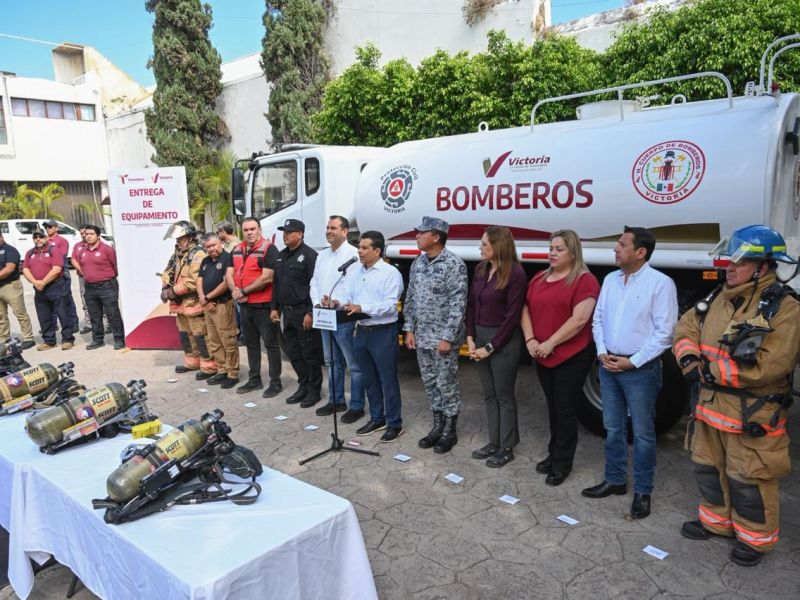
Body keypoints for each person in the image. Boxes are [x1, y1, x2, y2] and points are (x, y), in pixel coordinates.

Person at [673, 225, 800, 566]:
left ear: (763, 267)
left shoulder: (784, 308)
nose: (730, 267)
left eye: (739, 262)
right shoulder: (719, 296)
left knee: (749, 478)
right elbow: (687, 326)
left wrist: (709, 371)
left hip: (751, 415)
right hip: (710, 408)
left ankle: (755, 539)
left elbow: (772, 362)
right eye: (730, 260)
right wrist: (688, 359)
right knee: (708, 468)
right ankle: (716, 522)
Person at [583, 226, 678, 520]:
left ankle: (643, 491)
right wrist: (601, 352)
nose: (615, 249)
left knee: (643, 434)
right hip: (608, 365)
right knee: (613, 428)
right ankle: (615, 480)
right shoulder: (610, 280)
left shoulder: (661, 284)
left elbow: (665, 334)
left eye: (622, 245)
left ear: (640, 252)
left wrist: (633, 362)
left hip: (640, 371)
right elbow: (598, 319)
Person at [521, 230, 599, 485]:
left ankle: (562, 463)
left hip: (571, 356)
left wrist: (550, 343)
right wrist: (531, 340)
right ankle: (553, 453)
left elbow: (579, 320)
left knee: (565, 410)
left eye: (559, 249)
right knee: (553, 407)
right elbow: (525, 308)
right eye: (551, 248)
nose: (552, 253)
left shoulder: (584, 281)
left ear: (573, 253)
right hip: (542, 353)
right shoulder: (539, 278)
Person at [403, 217, 467, 454]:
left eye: (422, 233)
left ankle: (450, 430)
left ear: (436, 237)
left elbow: (458, 305)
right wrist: (409, 329)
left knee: (446, 383)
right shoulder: (418, 263)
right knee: (430, 383)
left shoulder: (454, 264)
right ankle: (437, 425)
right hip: (422, 337)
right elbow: (410, 297)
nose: (417, 236)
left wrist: (448, 338)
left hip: (442, 339)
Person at [466, 226, 527, 468]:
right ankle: (494, 441)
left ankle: (507, 446)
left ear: (499, 246)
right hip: (479, 337)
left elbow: (512, 318)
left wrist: (490, 347)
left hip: (502, 340)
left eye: (485, 244)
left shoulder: (516, 274)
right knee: (489, 393)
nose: (480, 248)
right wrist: (470, 337)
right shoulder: (481, 269)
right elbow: (472, 304)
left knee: (503, 395)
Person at [340, 231, 404, 442]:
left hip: (382, 332)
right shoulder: (356, 272)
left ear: (377, 251)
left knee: (387, 380)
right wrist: (337, 303)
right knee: (370, 379)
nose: (359, 251)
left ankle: (394, 423)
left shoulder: (390, 273)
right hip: (361, 332)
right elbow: (349, 297)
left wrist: (362, 307)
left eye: (364, 247)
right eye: (359, 247)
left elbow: (390, 305)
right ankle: (377, 418)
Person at [309, 215, 365, 422]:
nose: (329, 231)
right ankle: (336, 401)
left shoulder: (353, 255)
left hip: (343, 316)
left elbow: (354, 285)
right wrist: (317, 302)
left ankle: (357, 405)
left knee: (354, 365)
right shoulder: (322, 255)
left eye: (333, 228)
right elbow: (314, 281)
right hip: (324, 315)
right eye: (327, 227)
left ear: (345, 231)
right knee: (332, 362)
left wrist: (337, 301)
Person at [270, 219, 323, 408]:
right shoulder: (281, 255)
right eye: (284, 232)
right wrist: (274, 307)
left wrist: (311, 312)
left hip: (303, 312)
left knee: (309, 353)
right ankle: (303, 385)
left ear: (300, 234)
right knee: (294, 352)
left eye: (289, 232)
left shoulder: (309, 255)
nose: (285, 235)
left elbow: (315, 286)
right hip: (287, 312)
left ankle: (314, 390)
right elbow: (276, 284)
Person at [228, 217, 283, 396]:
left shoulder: (269, 249)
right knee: (251, 344)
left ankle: (275, 383)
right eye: (246, 230)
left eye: (253, 229)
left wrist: (243, 291)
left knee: (270, 344)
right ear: (241, 232)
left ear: (259, 230)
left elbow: (267, 277)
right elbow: (228, 274)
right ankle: (254, 380)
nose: (249, 232)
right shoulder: (237, 249)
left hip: (263, 305)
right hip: (245, 306)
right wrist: (235, 291)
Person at [160, 220, 216, 377]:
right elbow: (168, 272)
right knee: (186, 335)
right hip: (181, 303)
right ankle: (192, 363)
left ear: (190, 238)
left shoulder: (198, 254)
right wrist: (165, 286)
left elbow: (193, 281)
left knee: (201, 336)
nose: (178, 242)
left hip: (194, 302)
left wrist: (172, 292)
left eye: (181, 239)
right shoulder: (177, 255)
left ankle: (210, 367)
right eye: (177, 239)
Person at [198, 233, 239, 389]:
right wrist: (202, 298)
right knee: (214, 341)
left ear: (221, 243)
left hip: (222, 306)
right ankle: (222, 370)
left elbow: (226, 283)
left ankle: (232, 373)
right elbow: (199, 280)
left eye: (214, 245)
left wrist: (207, 297)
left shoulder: (228, 258)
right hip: (208, 307)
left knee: (228, 340)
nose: (211, 249)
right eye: (208, 247)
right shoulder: (205, 261)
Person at [22, 230, 75, 350]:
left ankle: (68, 339)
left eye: (41, 236)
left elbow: (56, 269)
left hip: (56, 286)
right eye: (35, 237)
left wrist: (43, 282)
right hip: (39, 288)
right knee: (44, 315)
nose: (38, 239)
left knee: (63, 313)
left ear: (46, 238)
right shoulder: (30, 253)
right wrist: (35, 282)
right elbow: (25, 269)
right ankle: (49, 341)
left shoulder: (54, 250)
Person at [79, 225, 125, 350]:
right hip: (90, 287)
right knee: (94, 315)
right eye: (86, 234)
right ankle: (98, 339)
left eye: (91, 234)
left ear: (98, 236)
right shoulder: (83, 251)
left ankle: (119, 339)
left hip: (106, 285)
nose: (88, 236)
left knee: (112, 313)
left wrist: (106, 277)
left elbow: (116, 266)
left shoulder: (107, 249)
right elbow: (82, 267)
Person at [44, 219, 79, 335]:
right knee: (50, 300)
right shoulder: (44, 240)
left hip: (61, 272)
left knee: (66, 298)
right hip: (48, 273)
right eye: (46, 227)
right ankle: (53, 324)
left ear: (56, 228)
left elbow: (61, 256)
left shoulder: (61, 241)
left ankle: (73, 323)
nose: (47, 229)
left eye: (50, 227)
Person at [0, 231, 35, 349]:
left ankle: (28, 337)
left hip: (10, 286)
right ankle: (3, 338)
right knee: (1, 316)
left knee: (19, 313)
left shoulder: (10, 250)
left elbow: (9, 268)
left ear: (1, 237)